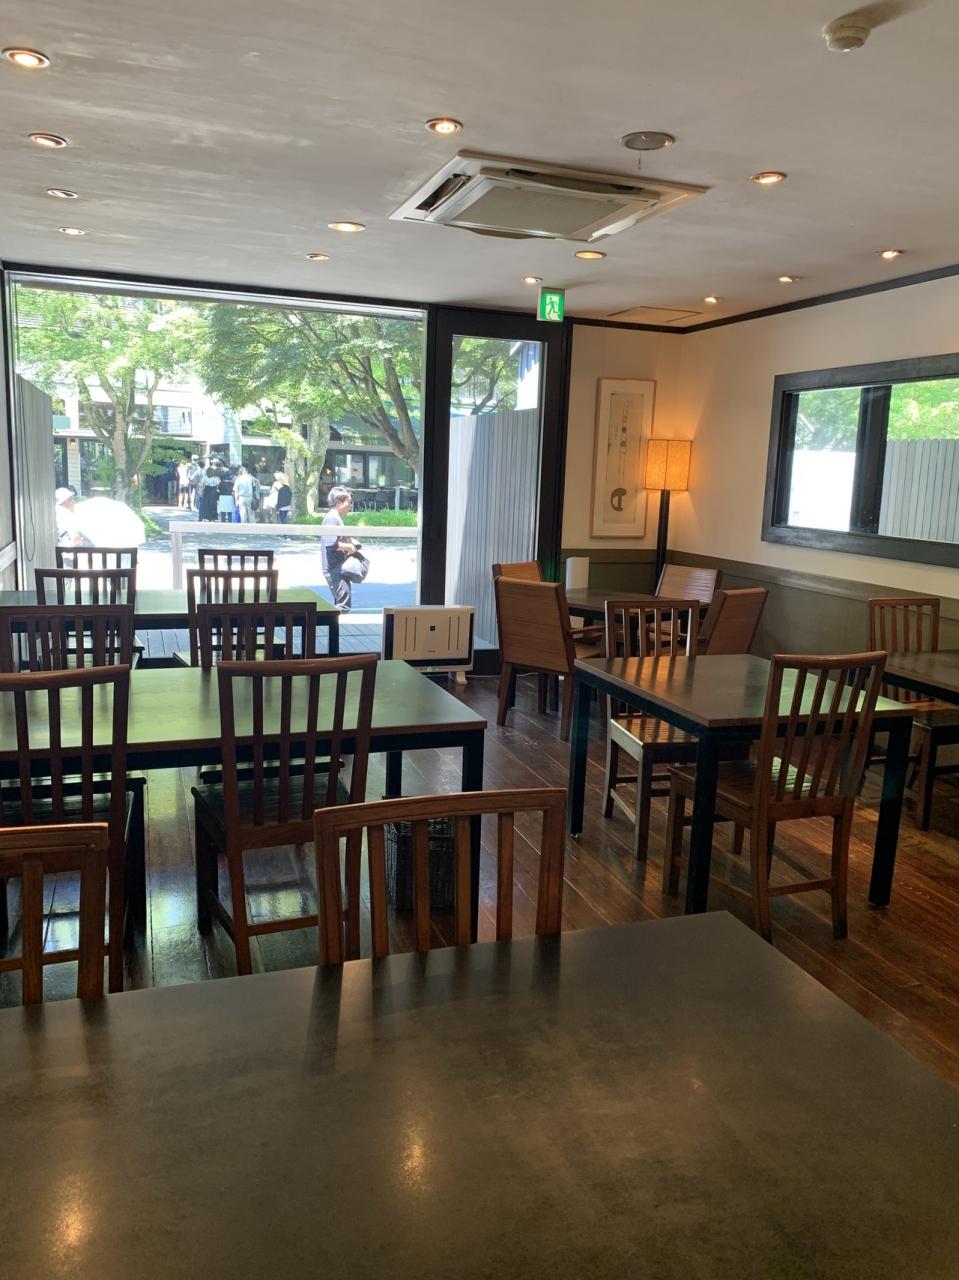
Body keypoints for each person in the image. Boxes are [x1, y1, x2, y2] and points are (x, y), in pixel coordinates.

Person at [321, 485, 355, 612]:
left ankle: (329, 622)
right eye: (348, 502)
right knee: (343, 605)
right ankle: (320, 619)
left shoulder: (335, 517)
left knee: (340, 603)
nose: (350, 506)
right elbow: (331, 544)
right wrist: (350, 547)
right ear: (338, 503)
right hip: (334, 569)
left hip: (337, 567)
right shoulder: (332, 518)